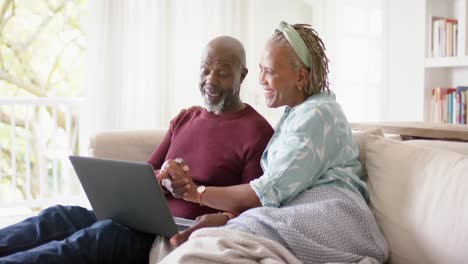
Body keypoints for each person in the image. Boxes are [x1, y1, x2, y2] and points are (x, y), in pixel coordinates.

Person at [0, 36, 274, 264]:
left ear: (243, 74)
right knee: (57, 215)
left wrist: (216, 213)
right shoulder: (186, 118)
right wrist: (164, 174)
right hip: (138, 218)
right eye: (205, 70)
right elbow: (144, 174)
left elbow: (253, 204)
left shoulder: (256, 132)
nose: (211, 80)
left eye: (223, 72)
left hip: (167, 235)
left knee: (95, 237)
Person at [157, 22, 389, 263]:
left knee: (221, 240)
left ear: (300, 76)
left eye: (270, 71)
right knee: (219, 239)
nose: (261, 80)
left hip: (334, 213)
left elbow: (266, 193)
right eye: (260, 69)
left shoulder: (317, 114)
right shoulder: (297, 114)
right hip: (300, 211)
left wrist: (196, 193)